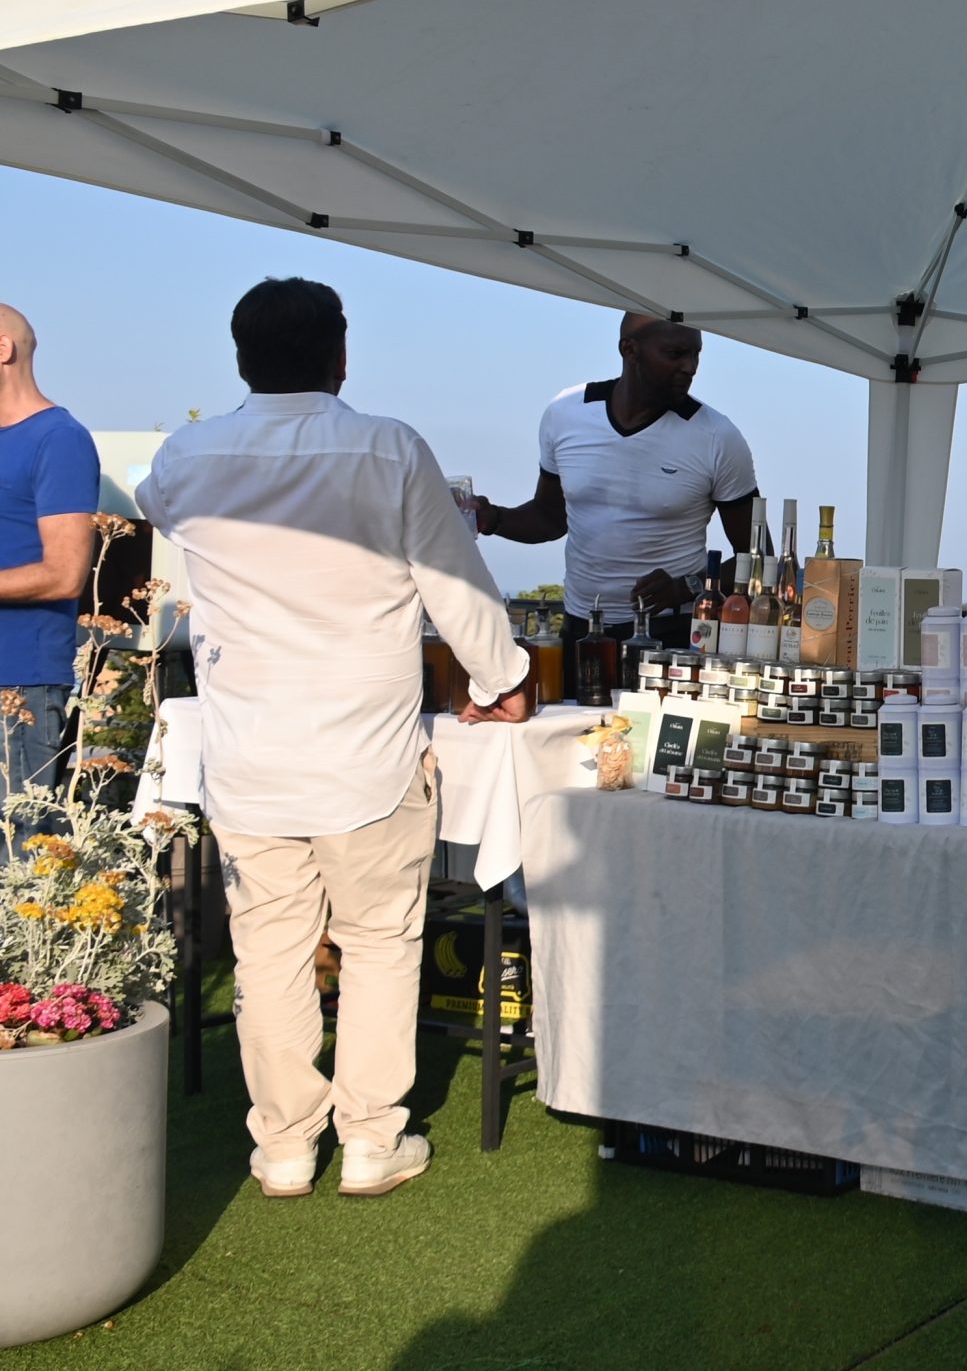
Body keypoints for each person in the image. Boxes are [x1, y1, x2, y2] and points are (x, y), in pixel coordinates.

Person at [138, 277, 534, 1200]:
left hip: (249, 752)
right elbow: (455, 585)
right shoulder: (389, 447)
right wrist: (502, 680)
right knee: (379, 942)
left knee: (269, 952)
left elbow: (158, 506)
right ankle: (368, 1138)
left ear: (241, 358)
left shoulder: (189, 453)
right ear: (341, 355)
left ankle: (283, 1145)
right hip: (367, 752)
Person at [474, 312, 758, 647]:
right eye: (675, 354)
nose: (690, 367)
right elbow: (549, 518)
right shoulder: (566, 412)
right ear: (629, 350)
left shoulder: (717, 436)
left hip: (671, 635)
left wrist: (687, 587)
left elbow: (758, 558)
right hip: (581, 631)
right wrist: (493, 518)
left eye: (696, 354)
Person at [0, 303, 98, 815]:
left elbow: (64, 574)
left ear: (3, 349)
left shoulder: (58, 439)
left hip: (17, 686)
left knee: (19, 850)